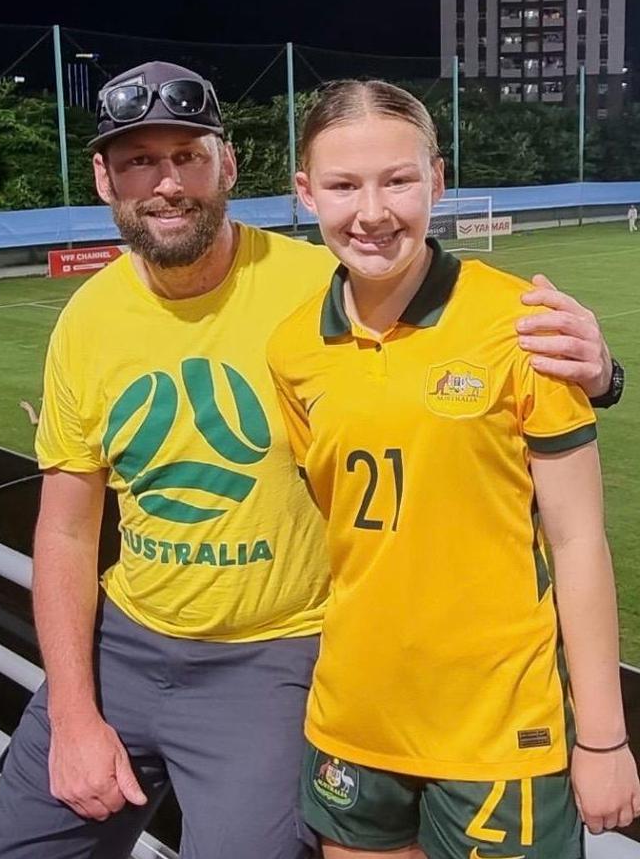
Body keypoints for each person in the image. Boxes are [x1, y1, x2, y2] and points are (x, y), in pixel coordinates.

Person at [0, 62, 623, 859]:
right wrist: (74, 715)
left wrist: (601, 371)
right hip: (126, 644)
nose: (166, 183)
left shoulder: (332, 284)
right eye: (140, 160)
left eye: (188, 156)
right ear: (104, 176)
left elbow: (470, 364)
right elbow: (67, 530)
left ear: (230, 166)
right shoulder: (89, 321)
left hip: (277, 663)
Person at [266, 79, 639, 859]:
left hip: (499, 730)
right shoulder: (292, 349)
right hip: (353, 721)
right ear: (305, 194)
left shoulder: (526, 328)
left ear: (437, 179)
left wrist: (602, 740)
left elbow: (576, 542)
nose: (372, 212)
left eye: (398, 180)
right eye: (342, 185)